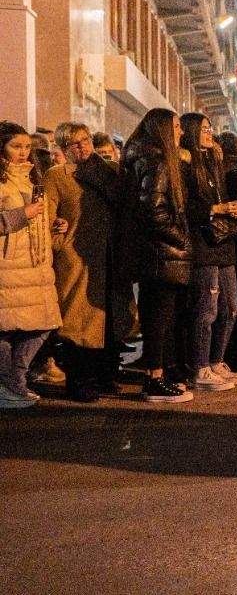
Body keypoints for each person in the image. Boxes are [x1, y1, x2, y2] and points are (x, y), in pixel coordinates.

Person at [44, 122, 127, 401]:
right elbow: (47, 218)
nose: (83, 147)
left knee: (111, 318)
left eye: (86, 140)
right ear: (63, 148)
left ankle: (106, 374)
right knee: (77, 322)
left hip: (109, 255)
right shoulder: (56, 176)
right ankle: (79, 380)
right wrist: (59, 241)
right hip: (76, 258)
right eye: (74, 143)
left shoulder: (109, 171)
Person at [124, 107, 194, 403]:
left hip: (152, 250)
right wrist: (181, 239)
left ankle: (158, 375)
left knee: (157, 315)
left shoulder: (141, 157)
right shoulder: (159, 161)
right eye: (176, 126)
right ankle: (155, 379)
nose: (180, 132)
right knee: (159, 317)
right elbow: (153, 209)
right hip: (161, 252)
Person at [179, 113, 237, 392]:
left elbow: (219, 199)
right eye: (205, 129)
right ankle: (199, 366)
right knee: (206, 310)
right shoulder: (184, 164)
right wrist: (215, 210)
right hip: (202, 245)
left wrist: (233, 208)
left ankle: (217, 361)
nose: (210, 133)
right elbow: (184, 207)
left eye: (211, 128)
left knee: (231, 309)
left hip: (223, 242)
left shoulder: (214, 161)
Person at [0, 121, 64, 408]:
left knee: (43, 325)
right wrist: (21, 214)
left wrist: (54, 227)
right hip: (7, 266)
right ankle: (9, 385)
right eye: (16, 146)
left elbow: (39, 221)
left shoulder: (32, 178)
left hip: (36, 264)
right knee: (5, 329)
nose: (24, 152)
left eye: (27, 146)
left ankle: (14, 380)